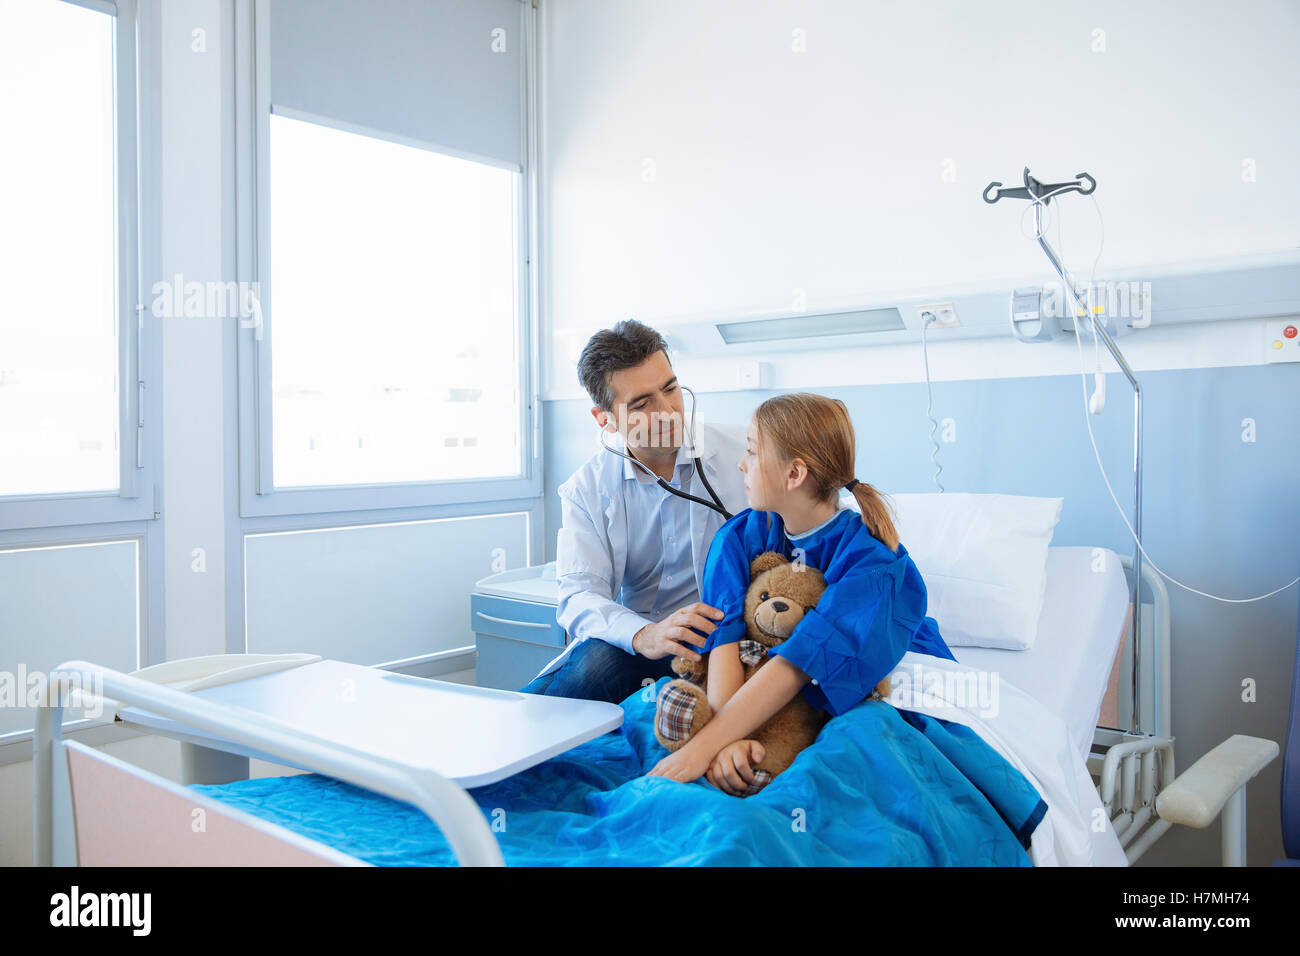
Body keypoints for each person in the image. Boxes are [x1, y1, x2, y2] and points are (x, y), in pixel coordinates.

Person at [647, 392, 957, 794]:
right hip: (757, 681)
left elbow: (802, 661)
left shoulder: (875, 563)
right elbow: (724, 638)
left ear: (794, 475)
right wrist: (722, 742)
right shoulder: (740, 537)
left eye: (752, 451)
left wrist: (701, 750)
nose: (741, 463)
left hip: (851, 669)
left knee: (865, 745)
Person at [519, 319, 748, 703]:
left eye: (671, 389)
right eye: (642, 404)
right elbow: (578, 596)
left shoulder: (746, 453)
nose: (668, 412)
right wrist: (646, 636)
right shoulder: (586, 489)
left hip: (730, 637)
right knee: (548, 700)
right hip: (641, 642)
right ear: (604, 419)